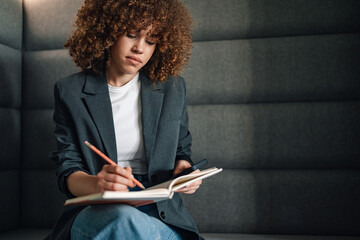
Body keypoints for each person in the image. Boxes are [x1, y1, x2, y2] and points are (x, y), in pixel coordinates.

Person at [46, 0, 203, 239]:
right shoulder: (70, 92)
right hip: (100, 209)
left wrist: (184, 169)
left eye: (151, 41)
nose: (140, 48)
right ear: (108, 30)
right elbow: (67, 170)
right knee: (121, 221)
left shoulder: (173, 88)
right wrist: (97, 183)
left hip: (161, 212)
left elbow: (182, 150)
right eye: (131, 35)